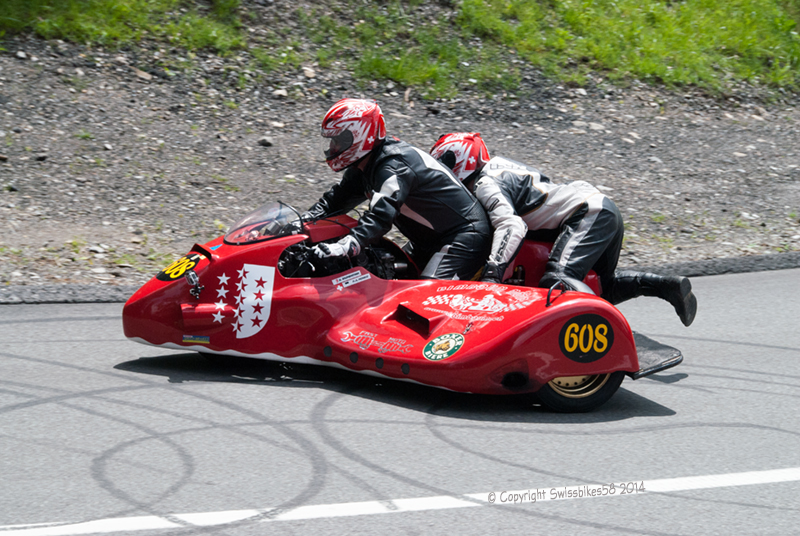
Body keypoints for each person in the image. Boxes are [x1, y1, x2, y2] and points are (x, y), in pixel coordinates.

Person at [430, 132, 697, 326]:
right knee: (602, 286)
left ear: (460, 161)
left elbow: (511, 225)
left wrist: (492, 276)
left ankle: (600, 330)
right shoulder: (496, 170)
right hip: (598, 210)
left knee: (557, 280)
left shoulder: (484, 184)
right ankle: (667, 286)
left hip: (588, 213)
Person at [304, 99, 492, 280]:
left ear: (360, 135)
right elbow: (335, 201)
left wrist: (348, 244)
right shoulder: (363, 166)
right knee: (393, 276)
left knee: (424, 297)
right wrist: (300, 223)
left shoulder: (393, 166)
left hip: (464, 236)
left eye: (338, 139)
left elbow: (381, 216)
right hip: (428, 240)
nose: (332, 147)